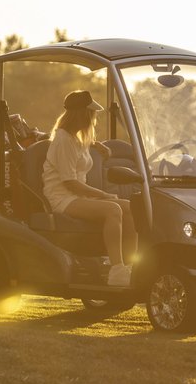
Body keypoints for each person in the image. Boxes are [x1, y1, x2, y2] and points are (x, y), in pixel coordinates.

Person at [42, 90, 137, 287]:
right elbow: (70, 183)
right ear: (83, 114)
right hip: (63, 198)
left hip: (77, 196)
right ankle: (117, 268)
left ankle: (130, 266)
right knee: (113, 209)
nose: (94, 119)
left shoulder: (76, 138)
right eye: (92, 114)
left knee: (129, 207)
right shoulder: (63, 140)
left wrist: (98, 145)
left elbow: (81, 150)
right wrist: (102, 195)